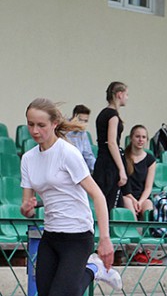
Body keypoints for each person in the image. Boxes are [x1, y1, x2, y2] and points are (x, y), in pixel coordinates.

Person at [20, 98, 122, 296]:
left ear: (54, 124)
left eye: (41, 125)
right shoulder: (28, 159)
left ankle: (93, 269)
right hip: (51, 235)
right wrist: (28, 207)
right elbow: (28, 201)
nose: (35, 130)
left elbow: (98, 196)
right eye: (30, 124)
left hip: (78, 236)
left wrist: (105, 239)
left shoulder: (68, 153)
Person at [94, 81, 129, 216]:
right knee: (110, 204)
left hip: (102, 161)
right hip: (109, 164)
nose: (127, 98)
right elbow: (112, 143)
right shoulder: (112, 116)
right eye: (126, 94)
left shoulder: (103, 114)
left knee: (103, 201)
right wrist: (121, 169)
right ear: (119, 95)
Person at [120, 125, 156, 221]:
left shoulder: (150, 160)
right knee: (127, 202)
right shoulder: (123, 157)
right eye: (137, 136)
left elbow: (148, 188)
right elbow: (123, 186)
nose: (141, 140)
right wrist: (133, 200)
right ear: (131, 138)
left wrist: (140, 202)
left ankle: (149, 234)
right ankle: (135, 232)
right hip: (126, 196)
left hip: (142, 198)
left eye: (143, 137)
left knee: (148, 205)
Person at [64, 105, 95, 171]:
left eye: (86, 121)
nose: (83, 124)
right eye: (80, 120)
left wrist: (97, 169)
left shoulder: (83, 133)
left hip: (79, 169)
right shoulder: (63, 130)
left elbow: (88, 155)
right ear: (74, 117)